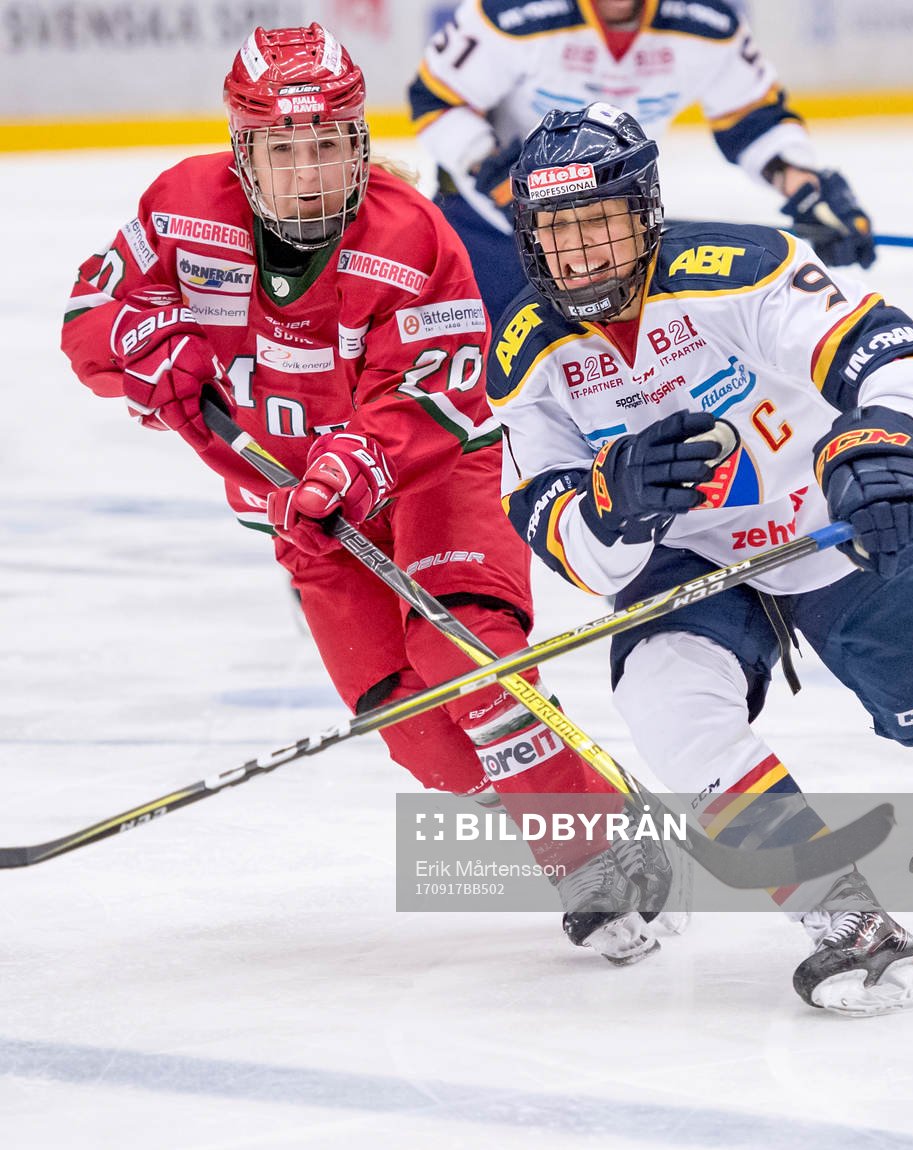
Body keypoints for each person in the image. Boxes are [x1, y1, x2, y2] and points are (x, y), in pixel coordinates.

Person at [61, 23, 677, 967]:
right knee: (417, 731)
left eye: (326, 146)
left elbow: (436, 394)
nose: (307, 175)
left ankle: (588, 857)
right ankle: (596, 804)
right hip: (298, 512)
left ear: (358, 142)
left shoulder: (408, 233)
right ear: (243, 150)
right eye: (282, 152)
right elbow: (89, 314)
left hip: (436, 475)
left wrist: (354, 462)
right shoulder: (181, 207)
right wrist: (140, 348)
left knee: (465, 662)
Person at [488, 100, 913, 1015]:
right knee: (664, 701)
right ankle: (843, 920)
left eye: (599, 221)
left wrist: (881, 439)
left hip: (826, 518)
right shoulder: (526, 351)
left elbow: (900, 356)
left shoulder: (742, 268)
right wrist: (609, 503)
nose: (580, 251)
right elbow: (563, 535)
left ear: (644, 211)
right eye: (556, 230)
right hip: (683, 559)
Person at [409, 0, 874, 322]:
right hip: (489, 228)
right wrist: (490, 168)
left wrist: (806, 188)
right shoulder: (512, 14)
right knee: (483, 385)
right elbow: (435, 98)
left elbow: (753, 117)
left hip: (613, 229)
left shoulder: (706, 24)